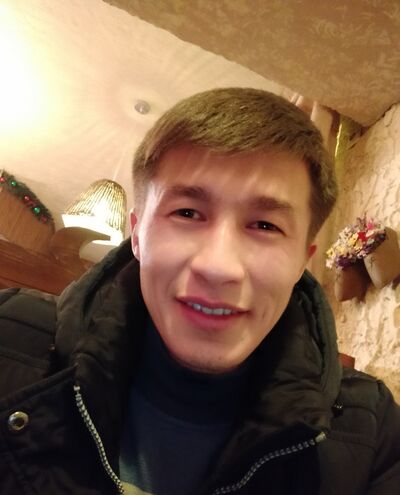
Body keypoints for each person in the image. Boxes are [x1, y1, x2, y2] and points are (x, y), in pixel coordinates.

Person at [0, 88, 399, 495]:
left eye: (265, 226)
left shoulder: (371, 430)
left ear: (303, 261)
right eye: (187, 213)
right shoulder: (9, 336)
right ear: (136, 235)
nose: (218, 267)